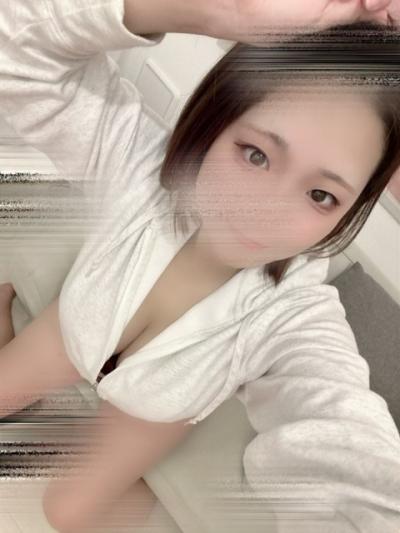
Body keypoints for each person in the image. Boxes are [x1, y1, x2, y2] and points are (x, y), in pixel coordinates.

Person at [0, 0, 400, 531]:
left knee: (68, 513)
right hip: (75, 331)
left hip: (153, 408)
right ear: (215, 119)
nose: (265, 211)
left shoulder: (296, 319)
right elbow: (17, 48)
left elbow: (352, 454)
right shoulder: (135, 162)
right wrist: (211, 10)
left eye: (321, 194)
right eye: (256, 154)